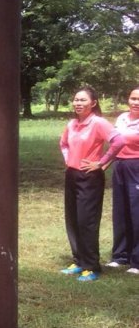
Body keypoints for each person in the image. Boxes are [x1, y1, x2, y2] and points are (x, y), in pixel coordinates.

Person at [59, 85, 124, 283]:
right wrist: (69, 160)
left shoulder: (98, 123)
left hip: (90, 177)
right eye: (76, 100)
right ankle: (79, 260)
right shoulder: (72, 124)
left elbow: (119, 141)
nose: (78, 103)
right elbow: (63, 144)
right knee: (73, 219)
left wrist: (101, 163)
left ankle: (91, 266)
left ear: (93, 103)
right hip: (72, 175)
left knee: (87, 221)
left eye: (83, 100)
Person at [107, 86, 139, 275]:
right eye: (133, 98)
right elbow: (114, 143)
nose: (136, 102)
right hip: (119, 165)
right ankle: (120, 256)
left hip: (136, 166)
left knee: (137, 211)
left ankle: (137, 261)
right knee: (120, 211)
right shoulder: (121, 118)